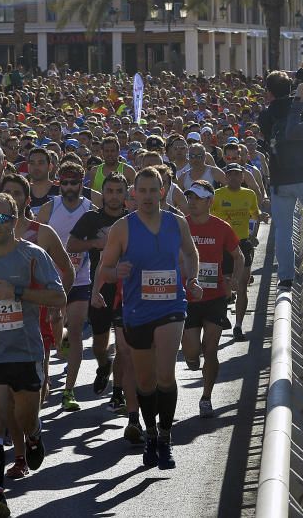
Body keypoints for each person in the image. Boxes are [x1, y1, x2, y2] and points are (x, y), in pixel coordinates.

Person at [93, 167, 202, 470]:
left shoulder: (177, 223)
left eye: (154, 190)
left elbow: (191, 254)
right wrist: (117, 273)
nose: (149, 196)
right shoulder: (122, 228)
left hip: (171, 306)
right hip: (137, 310)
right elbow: (105, 269)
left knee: (165, 374)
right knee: (145, 380)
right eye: (143, 191)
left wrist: (192, 280)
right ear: (134, 194)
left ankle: (166, 438)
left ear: (163, 192)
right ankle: (151, 432)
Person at [0, 193, 66, 518]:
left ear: (13, 219)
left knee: (24, 419)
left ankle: (34, 436)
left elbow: (59, 297)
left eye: (0, 219)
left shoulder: (33, 255)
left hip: (25, 353)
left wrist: (18, 292)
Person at [67, 172, 130, 412]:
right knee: (100, 345)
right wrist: (95, 243)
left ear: (125, 194)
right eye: (110, 191)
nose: (114, 196)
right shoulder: (91, 218)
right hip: (99, 287)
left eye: (119, 191)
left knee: (124, 346)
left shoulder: (131, 218)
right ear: (102, 193)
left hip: (127, 289)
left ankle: (117, 393)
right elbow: (71, 244)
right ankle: (104, 366)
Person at [183, 180, 244, 418]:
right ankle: (191, 358)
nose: (192, 202)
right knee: (191, 352)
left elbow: (238, 257)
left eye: (197, 198)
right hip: (187, 298)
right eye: (190, 197)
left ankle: (206, 397)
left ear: (210, 201)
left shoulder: (222, 227)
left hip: (215, 296)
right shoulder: (181, 226)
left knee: (211, 349)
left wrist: (235, 281)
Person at [36, 161, 94, 411]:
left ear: (82, 184)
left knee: (78, 329)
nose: (69, 188)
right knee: (55, 341)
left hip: (81, 278)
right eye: (65, 183)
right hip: (52, 280)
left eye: (74, 183)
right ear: (59, 183)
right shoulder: (50, 208)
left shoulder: (91, 207)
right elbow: (35, 242)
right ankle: (61, 347)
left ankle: (69, 391)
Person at [259, 69, 303, 289]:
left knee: (283, 230)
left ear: (268, 92)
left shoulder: (265, 115)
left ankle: (285, 278)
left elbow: (267, 139)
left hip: (280, 180)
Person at [210, 163, 259, 341]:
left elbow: (255, 215)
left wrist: (254, 234)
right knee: (224, 284)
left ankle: (238, 325)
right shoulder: (217, 195)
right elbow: (210, 219)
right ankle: (223, 313)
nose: (234, 178)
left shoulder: (249, 194)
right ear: (225, 177)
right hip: (222, 245)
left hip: (243, 243)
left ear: (242, 177)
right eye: (230, 174)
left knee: (243, 285)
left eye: (237, 175)